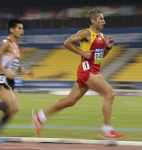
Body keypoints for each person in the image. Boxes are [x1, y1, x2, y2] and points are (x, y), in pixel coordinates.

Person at [32, 9, 125, 139]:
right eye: (100, 19)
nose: (104, 21)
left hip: (93, 70)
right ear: (92, 20)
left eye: (103, 19)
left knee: (69, 101)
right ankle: (107, 130)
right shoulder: (86, 33)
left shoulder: (101, 36)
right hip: (88, 71)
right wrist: (82, 53)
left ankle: (40, 116)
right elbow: (67, 43)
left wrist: (107, 48)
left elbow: (99, 57)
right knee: (109, 94)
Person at [0, 19, 34, 136]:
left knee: (13, 109)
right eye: (19, 28)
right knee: (11, 107)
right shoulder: (6, 43)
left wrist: (25, 70)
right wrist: (5, 71)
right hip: (3, 78)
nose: (22, 31)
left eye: (22, 28)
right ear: (11, 30)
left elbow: (14, 66)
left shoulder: (15, 46)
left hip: (11, 80)